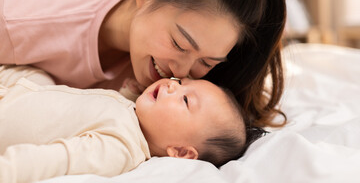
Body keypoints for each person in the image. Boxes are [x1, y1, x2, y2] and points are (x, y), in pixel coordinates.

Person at [0, 0, 287, 127]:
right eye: (179, 43)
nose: (181, 72)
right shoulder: (23, 15)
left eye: (208, 62)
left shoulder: (189, 87)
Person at [0, 65, 264, 183]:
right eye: (182, 82)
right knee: (38, 74)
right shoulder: (134, 118)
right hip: (20, 93)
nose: (173, 84)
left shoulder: (121, 148)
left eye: (185, 100)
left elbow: (53, 161)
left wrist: (7, 171)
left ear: (181, 152)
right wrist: (128, 96)